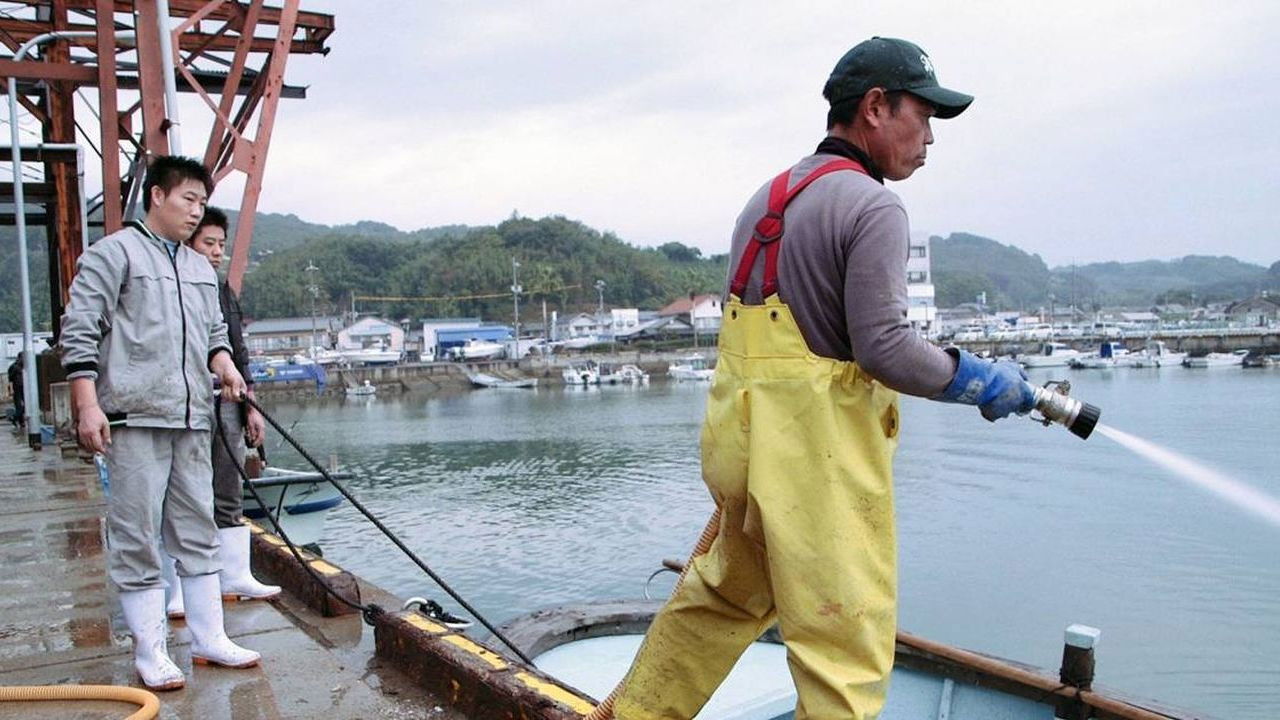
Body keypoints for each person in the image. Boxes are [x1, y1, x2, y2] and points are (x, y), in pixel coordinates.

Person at [598, 38, 1034, 719]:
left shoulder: (765, 199)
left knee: (718, 602)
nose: (929, 138)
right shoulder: (873, 207)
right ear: (876, 107)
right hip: (813, 468)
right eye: (924, 116)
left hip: (740, 452)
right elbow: (885, 347)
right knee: (844, 655)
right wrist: (976, 380)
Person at [60, 155, 262, 691]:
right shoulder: (113, 255)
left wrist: (224, 365)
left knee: (198, 531)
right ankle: (150, 649)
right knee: (136, 535)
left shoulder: (200, 268)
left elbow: (215, 334)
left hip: (193, 418)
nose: (197, 212)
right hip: (133, 418)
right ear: (156, 196)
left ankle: (209, 638)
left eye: (202, 202)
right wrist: (87, 403)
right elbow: (80, 330)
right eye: (188, 200)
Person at [160, 206, 279, 620]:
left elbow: (237, 350)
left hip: (228, 401)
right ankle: (175, 588)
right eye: (207, 243)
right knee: (182, 496)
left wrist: (251, 405)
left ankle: (236, 575)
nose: (215, 252)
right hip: (186, 403)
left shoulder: (222, 289)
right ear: (188, 242)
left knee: (228, 490)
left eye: (220, 245)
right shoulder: (171, 287)